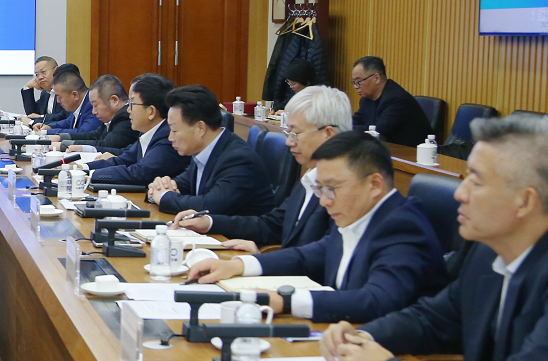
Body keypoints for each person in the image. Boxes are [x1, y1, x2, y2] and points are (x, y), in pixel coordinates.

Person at [319, 114, 548, 361]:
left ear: (525, 201)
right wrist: (364, 336)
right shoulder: (487, 249)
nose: (460, 193)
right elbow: (434, 318)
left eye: (476, 181)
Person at [188, 132, 447, 323]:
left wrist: (286, 301)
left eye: (331, 188)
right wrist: (236, 266)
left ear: (375, 185)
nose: (323, 201)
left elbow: (376, 300)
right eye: (320, 189)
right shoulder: (359, 214)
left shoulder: (403, 226)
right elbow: (308, 256)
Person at [172, 85, 349, 252]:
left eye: (295, 134)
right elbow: (273, 225)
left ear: (328, 134)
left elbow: (320, 258)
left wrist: (261, 261)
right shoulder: (311, 177)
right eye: (288, 134)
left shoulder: (346, 189)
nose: (289, 142)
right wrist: (209, 222)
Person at [147, 84, 275, 217]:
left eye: (174, 130)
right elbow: (180, 185)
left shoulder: (239, 159)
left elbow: (208, 207)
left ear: (200, 128)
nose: (170, 138)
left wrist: (164, 196)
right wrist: (158, 188)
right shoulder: (204, 151)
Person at [86, 74, 191, 187]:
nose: (128, 110)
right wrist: (84, 168)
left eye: (132, 104)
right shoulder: (147, 133)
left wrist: (91, 175)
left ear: (151, 112)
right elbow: (122, 160)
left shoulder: (167, 137)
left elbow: (140, 173)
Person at [351, 56, 433, 146]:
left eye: (359, 81)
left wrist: (346, 128)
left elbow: (378, 131)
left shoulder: (397, 99)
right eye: (354, 82)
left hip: (412, 152)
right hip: (385, 149)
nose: (355, 86)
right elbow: (357, 120)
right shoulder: (367, 99)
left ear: (376, 78)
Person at [48, 74, 139, 155]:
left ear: (114, 100)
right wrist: (60, 137)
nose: (93, 112)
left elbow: (107, 144)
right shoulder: (113, 117)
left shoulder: (126, 116)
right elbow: (94, 135)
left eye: (95, 105)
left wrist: (64, 145)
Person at [38, 69, 102, 137]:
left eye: (60, 97)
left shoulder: (92, 105)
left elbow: (83, 133)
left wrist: (47, 132)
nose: (58, 101)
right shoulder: (78, 103)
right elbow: (68, 122)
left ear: (75, 95)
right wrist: (49, 127)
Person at [21, 56, 62, 120]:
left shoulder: (65, 91)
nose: (40, 77)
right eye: (37, 74)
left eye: (43, 72)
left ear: (56, 70)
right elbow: (32, 114)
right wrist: (27, 87)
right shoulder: (45, 93)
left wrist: (41, 117)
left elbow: (63, 117)